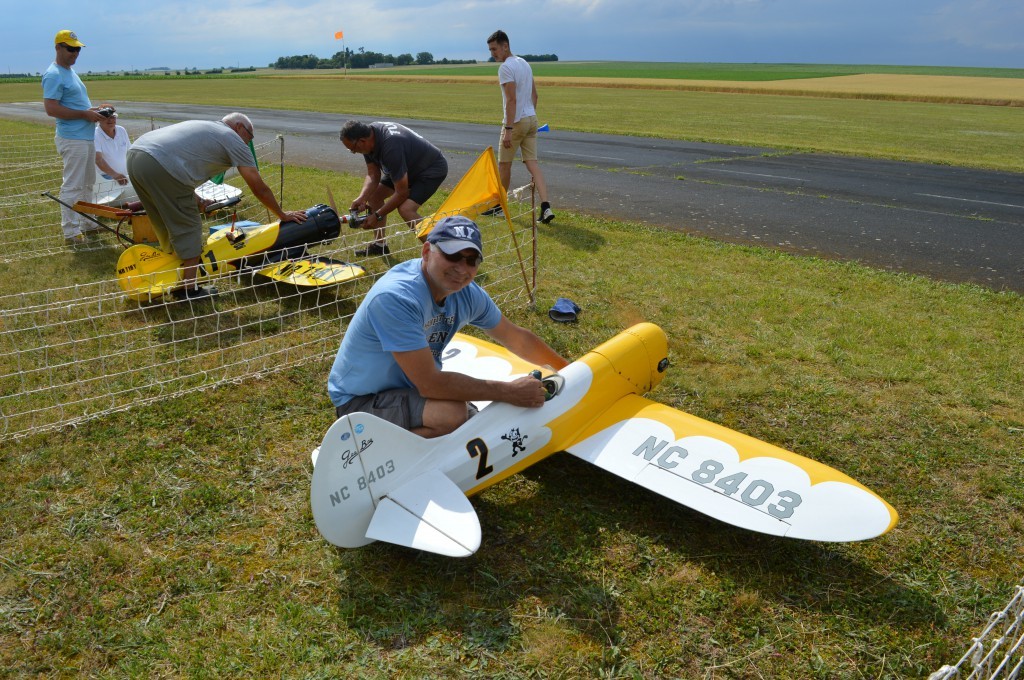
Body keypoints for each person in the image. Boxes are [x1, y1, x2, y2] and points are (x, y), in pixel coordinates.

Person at [328, 215, 569, 438]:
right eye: (452, 256)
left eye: (471, 260)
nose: (462, 269)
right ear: (426, 252)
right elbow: (430, 383)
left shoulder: (467, 293)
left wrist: (570, 372)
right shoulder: (396, 297)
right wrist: (509, 391)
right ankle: (363, 449)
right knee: (451, 414)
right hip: (360, 403)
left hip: (410, 391)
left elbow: (517, 338)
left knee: (479, 423)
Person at [126, 113, 306, 300]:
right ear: (238, 127)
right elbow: (258, 186)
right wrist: (282, 214)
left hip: (136, 156)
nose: (248, 143)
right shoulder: (232, 138)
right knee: (189, 227)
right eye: (249, 137)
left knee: (162, 220)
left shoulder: (207, 128)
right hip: (160, 163)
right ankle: (188, 290)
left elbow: (182, 171)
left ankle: (171, 271)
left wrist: (199, 201)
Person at [339, 120, 448, 256]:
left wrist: (377, 216)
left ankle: (442, 254)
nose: (354, 152)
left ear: (362, 141)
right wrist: (362, 197)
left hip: (430, 169)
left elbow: (401, 193)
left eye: (353, 149)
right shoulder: (369, 137)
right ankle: (380, 246)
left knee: (406, 209)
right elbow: (373, 174)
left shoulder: (390, 146)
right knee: (374, 196)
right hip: (406, 166)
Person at [41, 30, 106, 245]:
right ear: (58, 47)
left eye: (77, 48)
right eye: (70, 48)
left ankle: (88, 223)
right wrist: (84, 114)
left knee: (88, 183)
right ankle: (71, 232)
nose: (75, 53)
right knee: (73, 185)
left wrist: (93, 110)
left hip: (85, 136)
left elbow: (74, 105)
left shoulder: (70, 71)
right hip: (72, 138)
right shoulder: (53, 74)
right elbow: (51, 109)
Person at [486, 29, 555, 224]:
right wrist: (530, 115)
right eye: (490, 50)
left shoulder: (506, 68)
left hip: (515, 123)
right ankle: (546, 207)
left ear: (505, 46)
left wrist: (508, 130)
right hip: (532, 119)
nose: (493, 54)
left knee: (504, 165)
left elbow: (511, 100)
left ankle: (500, 206)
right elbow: (535, 95)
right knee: (532, 164)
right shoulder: (524, 63)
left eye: (495, 49)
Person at [93, 104, 137, 205]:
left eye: (113, 117)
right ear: (99, 119)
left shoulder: (121, 130)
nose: (110, 120)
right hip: (106, 178)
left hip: (125, 175)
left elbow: (130, 152)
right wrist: (115, 175)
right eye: (106, 117)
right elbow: (98, 160)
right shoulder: (95, 134)